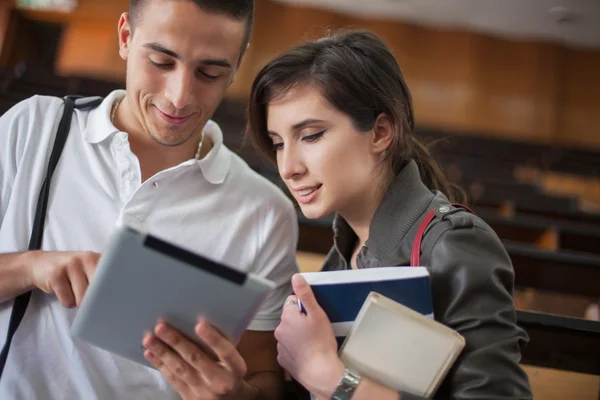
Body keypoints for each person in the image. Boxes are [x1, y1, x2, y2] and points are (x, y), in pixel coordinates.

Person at [0, 0, 298, 399]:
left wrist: (238, 395)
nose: (179, 97)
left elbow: (265, 379)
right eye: (161, 61)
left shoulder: (264, 211)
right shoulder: (33, 128)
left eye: (210, 72)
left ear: (239, 63)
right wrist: (29, 267)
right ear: (126, 37)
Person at [245, 30, 533, 399]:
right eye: (278, 143)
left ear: (381, 132)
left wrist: (333, 379)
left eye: (311, 135)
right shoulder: (343, 251)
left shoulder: (456, 244)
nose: (287, 167)